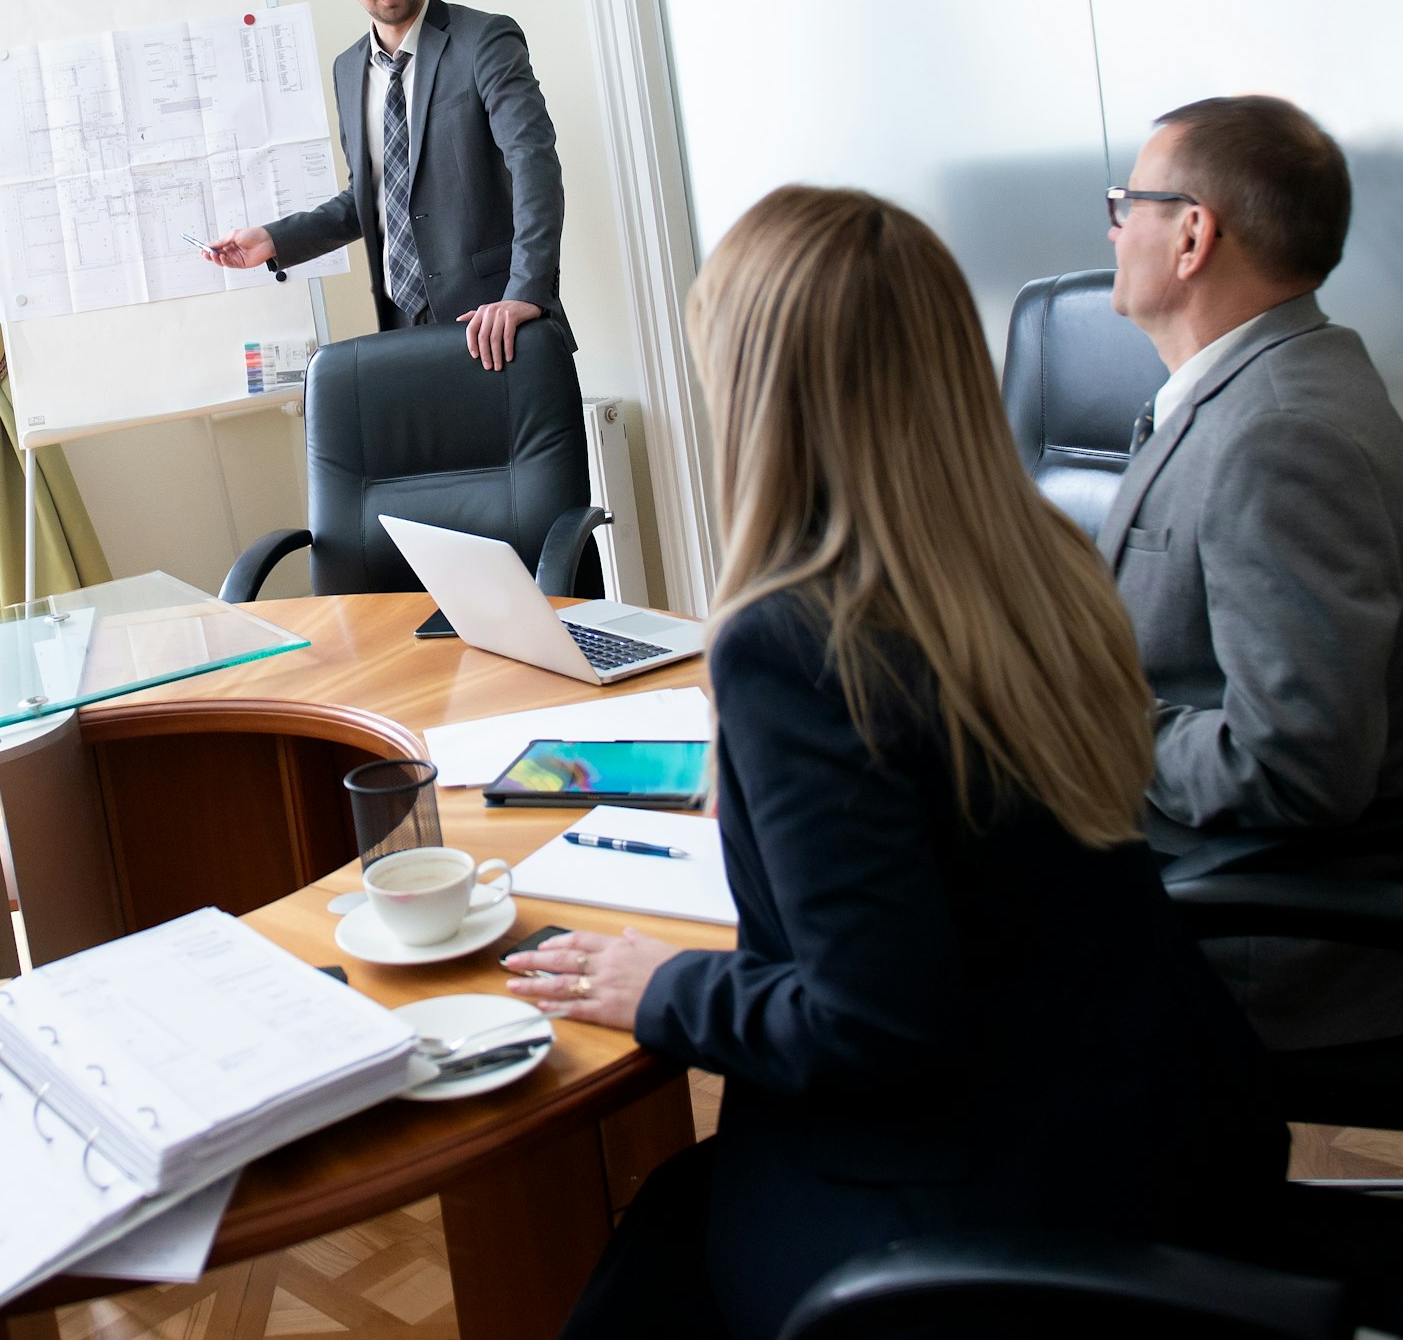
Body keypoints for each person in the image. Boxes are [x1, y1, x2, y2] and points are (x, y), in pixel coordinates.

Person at [505, 185, 1287, 1340]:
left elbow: (881, 1024)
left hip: (992, 1201)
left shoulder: (791, 642)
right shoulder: (1040, 562)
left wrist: (660, 987)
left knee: (647, 1264)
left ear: (761, 396)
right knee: (672, 1216)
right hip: (1161, 1116)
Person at [1098, 94, 1403, 1044]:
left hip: (1248, 929)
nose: (1112, 229)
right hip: (1201, 869)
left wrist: (1092, 729)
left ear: (1192, 234)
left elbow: (1298, 764)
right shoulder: (1274, 381)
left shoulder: (1276, 434)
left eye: (1126, 203)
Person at [204, 0, 569, 368]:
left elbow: (533, 163)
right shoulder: (348, 69)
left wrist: (526, 291)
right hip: (402, 332)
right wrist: (276, 240)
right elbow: (371, 196)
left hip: (497, 321)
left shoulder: (485, 41)